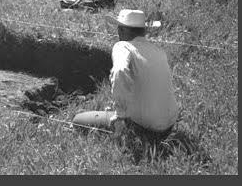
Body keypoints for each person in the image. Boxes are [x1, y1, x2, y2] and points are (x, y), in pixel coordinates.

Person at [72, 9, 179, 139]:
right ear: (144, 31)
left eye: (119, 29)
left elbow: (120, 71)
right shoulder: (158, 51)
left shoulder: (122, 46)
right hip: (169, 125)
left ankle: (131, 131)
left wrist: (120, 116)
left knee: (78, 119)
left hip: (144, 125)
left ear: (122, 30)